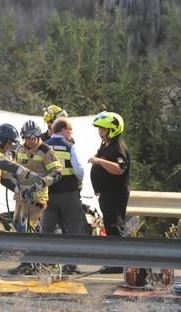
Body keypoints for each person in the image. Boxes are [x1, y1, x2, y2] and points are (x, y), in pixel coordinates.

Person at [7, 120, 62, 275]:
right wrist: (14, 184)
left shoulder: (45, 151)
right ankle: (27, 262)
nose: (30, 141)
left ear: (38, 135)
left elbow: (57, 173)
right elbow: (14, 169)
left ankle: (33, 263)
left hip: (37, 197)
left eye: (33, 137)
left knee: (29, 228)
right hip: (21, 197)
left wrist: (42, 183)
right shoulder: (19, 149)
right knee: (19, 226)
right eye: (27, 137)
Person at [41, 117, 87, 274]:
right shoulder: (70, 146)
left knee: (47, 229)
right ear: (63, 130)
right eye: (70, 130)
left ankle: (47, 264)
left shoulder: (44, 146)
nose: (71, 133)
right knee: (72, 230)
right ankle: (70, 265)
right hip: (69, 194)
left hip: (49, 194)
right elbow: (79, 171)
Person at [89, 111, 130, 274]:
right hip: (107, 194)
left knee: (114, 227)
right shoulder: (107, 145)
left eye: (103, 129)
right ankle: (114, 261)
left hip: (115, 194)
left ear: (112, 129)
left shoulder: (118, 147)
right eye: (100, 129)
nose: (100, 132)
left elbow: (119, 169)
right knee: (109, 226)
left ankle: (118, 263)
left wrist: (98, 161)